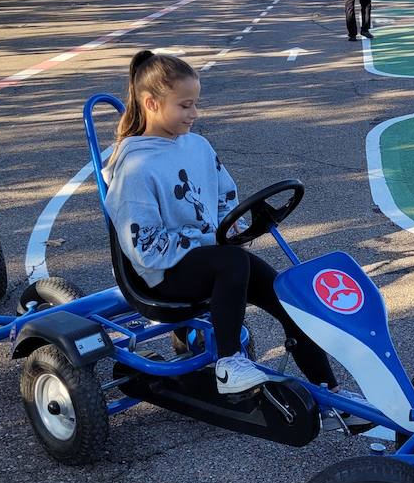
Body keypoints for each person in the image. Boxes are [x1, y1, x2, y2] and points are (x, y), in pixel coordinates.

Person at [105, 51, 340, 396]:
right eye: (185, 106)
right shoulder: (136, 168)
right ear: (151, 103)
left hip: (209, 259)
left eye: (196, 104)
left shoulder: (197, 145)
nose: (195, 114)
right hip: (163, 275)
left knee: (286, 293)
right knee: (231, 263)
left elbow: (226, 195)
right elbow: (145, 248)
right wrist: (206, 241)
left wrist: (230, 228)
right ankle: (228, 364)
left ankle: (330, 391)